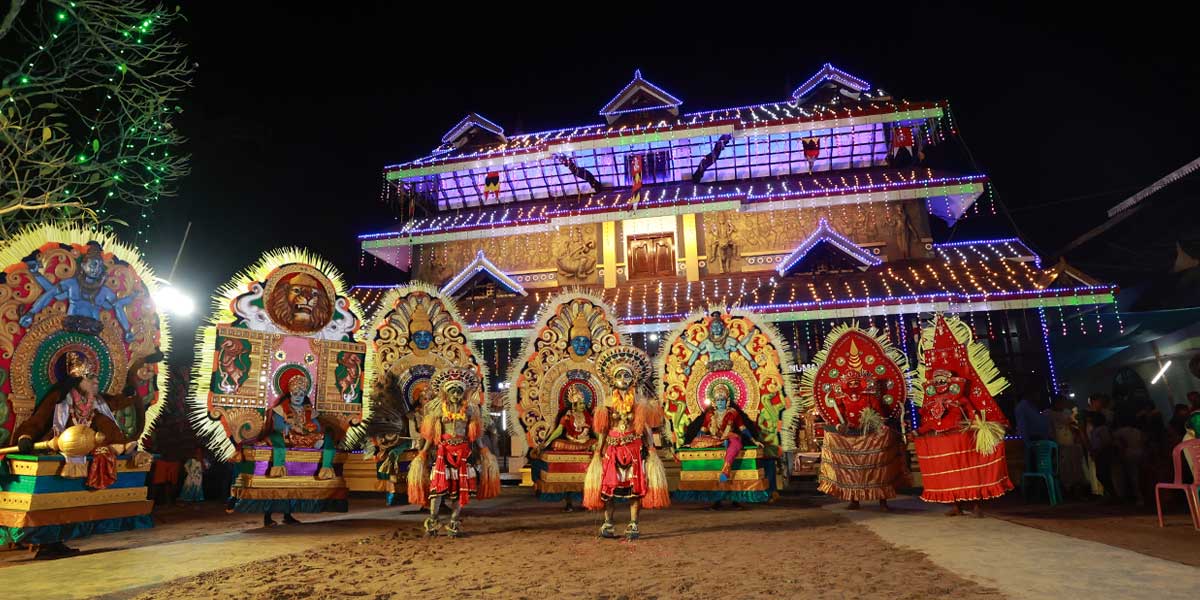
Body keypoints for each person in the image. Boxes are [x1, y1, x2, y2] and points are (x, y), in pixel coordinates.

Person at [583, 346, 669, 540]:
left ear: (634, 379)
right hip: (612, 449)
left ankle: (633, 524)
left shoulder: (639, 402)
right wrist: (598, 451)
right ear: (613, 379)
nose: (623, 379)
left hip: (633, 449)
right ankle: (608, 523)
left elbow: (645, 427)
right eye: (620, 375)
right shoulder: (606, 402)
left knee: (635, 489)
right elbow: (603, 430)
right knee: (608, 489)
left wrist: (652, 448)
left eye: (627, 375)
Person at [407, 367, 499, 537]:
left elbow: (475, 435)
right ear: (446, 393)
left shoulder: (470, 411)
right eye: (453, 392)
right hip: (443, 454)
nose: (456, 395)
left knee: (460, 491)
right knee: (437, 490)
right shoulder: (438, 410)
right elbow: (430, 436)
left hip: (463, 454)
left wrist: (484, 451)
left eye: (459, 392)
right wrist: (423, 453)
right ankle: (433, 520)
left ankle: (454, 522)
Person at [1087, 411, 1116, 500]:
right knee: (1100, 474)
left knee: (1103, 474)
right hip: (1099, 453)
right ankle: (1111, 494)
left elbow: (1106, 441)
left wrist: (1098, 451)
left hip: (1103, 453)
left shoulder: (1102, 429)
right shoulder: (1095, 430)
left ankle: (1113, 495)